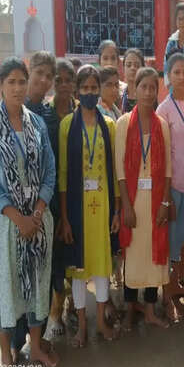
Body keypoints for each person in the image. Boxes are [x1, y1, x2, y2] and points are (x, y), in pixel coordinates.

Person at [0, 57, 59, 367]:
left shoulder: (37, 124)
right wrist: (18, 218)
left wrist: (35, 215)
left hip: (38, 222)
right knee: (7, 290)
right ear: (0, 86)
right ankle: (7, 359)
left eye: (21, 81)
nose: (17, 87)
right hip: (7, 225)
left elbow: (50, 172)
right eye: (10, 82)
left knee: (39, 284)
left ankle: (35, 346)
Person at [58, 65, 121, 347]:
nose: (90, 93)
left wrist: (117, 210)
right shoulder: (66, 126)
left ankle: (102, 324)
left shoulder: (109, 125)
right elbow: (62, 174)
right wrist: (65, 217)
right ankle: (82, 326)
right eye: (85, 88)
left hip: (103, 206)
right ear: (76, 90)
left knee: (102, 266)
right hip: (77, 210)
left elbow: (114, 171)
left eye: (94, 88)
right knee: (79, 270)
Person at [116, 67, 172, 330]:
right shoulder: (124, 123)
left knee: (153, 257)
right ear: (135, 89)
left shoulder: (162, 125)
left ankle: (149, 310)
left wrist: (165, 203)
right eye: (144, 87)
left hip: (156, 202)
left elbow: (168, 170)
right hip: (134, 202)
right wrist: (126, 207)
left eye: (153, 87)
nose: (149, 92)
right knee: (134, 257)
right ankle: (130, 309)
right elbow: (120, 170)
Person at [22, 51, 62, 345]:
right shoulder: (12, 111)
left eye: (49, 76)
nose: (44, 80)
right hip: (17, 209)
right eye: (39, 73)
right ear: (29, 71)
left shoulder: (49, 116)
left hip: (46, 204)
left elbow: (54, 164)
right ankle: (17, 339)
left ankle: (38, 335)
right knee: (19, 272)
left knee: (44, 271)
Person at [156, 53, 184, 322]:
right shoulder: (163, 110)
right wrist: (165, 193)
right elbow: (161, 154)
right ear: (168, 77)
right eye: (177, 72)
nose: (182, 77)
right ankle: (166, 293)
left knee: (182, 237)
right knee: (170, 239)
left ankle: (176, 283)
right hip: (172, 185)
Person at [48, 57, 78, 335]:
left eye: (69, 80)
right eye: (59, 80)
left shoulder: (82, 112)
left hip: (77, 194)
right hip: (51, 195)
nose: (65, 85)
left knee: (75, 252)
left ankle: (73, 305)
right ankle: (55, 312)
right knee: (56, 256)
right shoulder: (43, 115)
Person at [165, 3, 184, 71]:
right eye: (179, 19)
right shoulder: (171, 42)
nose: (181, 22)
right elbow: (166, 65)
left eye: (183, 19)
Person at [121, 48, 145, 114]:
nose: (132, 68)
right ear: (123, 69)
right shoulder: (119, 95)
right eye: (128, 65)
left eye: (137, 65)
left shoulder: (147, 95)